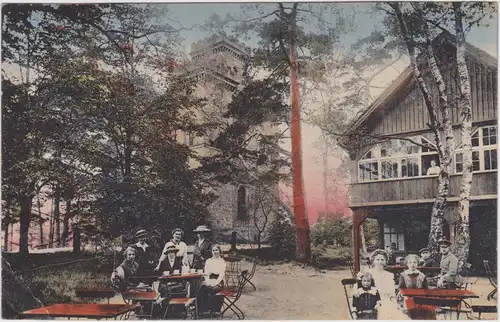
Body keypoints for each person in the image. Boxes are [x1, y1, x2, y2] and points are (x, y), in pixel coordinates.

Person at [362, 249, 409, 320]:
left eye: (382, 260)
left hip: (387, 302)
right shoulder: (368, 274)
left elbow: (391, 295)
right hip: (372, 301)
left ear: (385, 261)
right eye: (377, 259)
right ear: (373, 260)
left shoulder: (389, 275)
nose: (380, 262)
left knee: (401, 317)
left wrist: (398, 306)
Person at [198, 245, 226, 315]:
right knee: (201, 288)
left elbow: (221, 275)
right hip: (209, 280)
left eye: (216, 250)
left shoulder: (222, 261)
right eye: (213, 250)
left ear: (219, 251)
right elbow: (206, 273)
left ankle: (215, 309)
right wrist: (208, 282)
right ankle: (204, 309)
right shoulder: (208, 261)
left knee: (212, 289)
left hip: (219, 281)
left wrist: (215, 283)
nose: (215, 252)